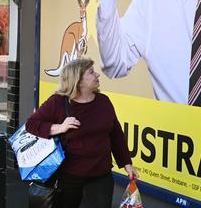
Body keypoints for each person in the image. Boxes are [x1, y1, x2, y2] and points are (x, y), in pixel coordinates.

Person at [26, 57, 139, 208]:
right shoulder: (58, 102)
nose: (97, 75)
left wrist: (126, 163)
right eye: (91, 72)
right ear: (78, 81)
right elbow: (31, 124)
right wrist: (60, 127)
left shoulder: (103, 101)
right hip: (67, 178)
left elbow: (116, 135)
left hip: (101, 176)